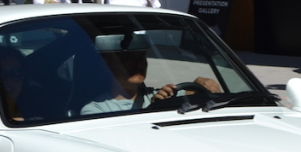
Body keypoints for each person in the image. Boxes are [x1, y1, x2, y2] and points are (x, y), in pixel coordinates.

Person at [79, 50, 220, 116]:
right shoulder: (94, 111)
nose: (139, 64)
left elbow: (206, 96)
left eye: (142, 57)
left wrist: (200, 84)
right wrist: (153, 107)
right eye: (129, 57)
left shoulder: (163, 94)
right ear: (107, 65)